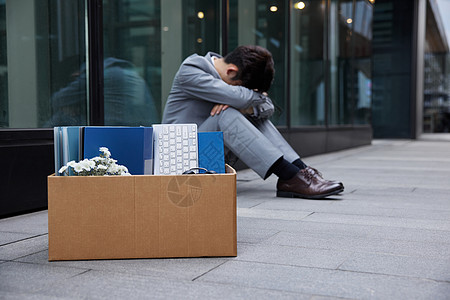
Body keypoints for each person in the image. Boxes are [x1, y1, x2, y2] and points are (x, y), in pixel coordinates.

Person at [162, 45, 343, 199]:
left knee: (253, 115)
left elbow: (269, 107)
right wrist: (249, 100)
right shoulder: (191, 70)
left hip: (212, 151)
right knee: (226, 113)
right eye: (240, 87)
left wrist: (248, 107)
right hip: (182, 155)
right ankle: (289, 175)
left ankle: (300, 171)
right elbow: (240, 98)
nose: (244, 94)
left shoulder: (229, 76)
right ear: (231, 70)